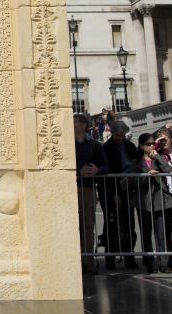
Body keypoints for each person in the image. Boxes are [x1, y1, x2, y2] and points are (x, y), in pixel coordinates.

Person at [132, 131, 172, 273]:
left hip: (160, 198)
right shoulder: (136, 161)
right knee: (146, 232)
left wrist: (157, 156)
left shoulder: (159, 157)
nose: (151, 146)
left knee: (161, 232)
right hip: (143, 200)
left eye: (152, 144)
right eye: (147, 144)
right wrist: (146, 175)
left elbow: (169, 169)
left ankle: (164, 261)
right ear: (141, 146)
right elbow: (134, 180)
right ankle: (149, 261)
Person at [100, 120, 138, 270]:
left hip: (127, 188)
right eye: (118, 135)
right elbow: (107, 172)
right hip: (111, 190)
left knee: (129, 223)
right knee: (111, 224)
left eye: (122, 135)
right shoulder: (106, 148)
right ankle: (110, 257)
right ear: (112, 133)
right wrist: (114, 194)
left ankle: (129, 256)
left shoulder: (129, 146)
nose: (120, 138)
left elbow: (135, 161)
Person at [74, 112, 108, 274]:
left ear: (83, 125)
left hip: (87, 188)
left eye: (74, 122)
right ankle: (75, 259)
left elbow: (105, 166)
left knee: (88, 224)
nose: (72, 125)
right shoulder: (66, 145)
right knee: (73, 226)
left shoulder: (95, 145)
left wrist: (97, 170)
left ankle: (88, 259)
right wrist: (78, 171)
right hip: (71, 188)